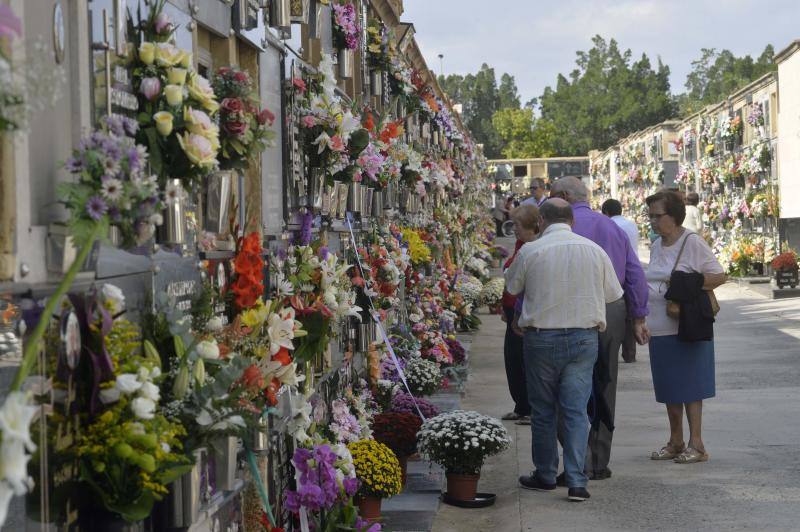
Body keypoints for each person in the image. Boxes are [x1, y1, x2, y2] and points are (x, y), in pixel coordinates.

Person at [505, 198, 623, 502]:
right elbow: (612, 293)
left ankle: (545, 473)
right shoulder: (594, 250)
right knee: (575, 410)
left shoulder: (531, 250)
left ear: (541, 220)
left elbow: (512, 287)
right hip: (583, 338)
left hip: (542, 338)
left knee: (544, 410)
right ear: (571, 221)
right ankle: (576, 480)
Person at [549, 177, 649, 481]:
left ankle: (575, 459)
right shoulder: (611, 227)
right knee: (605, 383)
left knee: (564, 384)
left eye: (552, 197)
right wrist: (638, 316)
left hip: (567, 309)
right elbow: (634, 272)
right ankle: (598, 459)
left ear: (564, 197)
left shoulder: (557, 229)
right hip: (610, 305)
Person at [645, 190, 726, 464]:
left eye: (658, 216)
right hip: (659, 326)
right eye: (651, 216)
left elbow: (719, 275)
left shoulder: (692, 242)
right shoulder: (656, 245)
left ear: (675, 215)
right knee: (669, 387)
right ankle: (676, 440)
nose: (653, 222)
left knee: (691, 386)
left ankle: (697, 443)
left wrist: (686, 285)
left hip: (687, 325)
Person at [500, 204, 539, 424]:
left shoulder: (533, 247)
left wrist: (515, 310)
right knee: (513, 360)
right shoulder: (520, 244)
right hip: (512, 308)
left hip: (523, 312)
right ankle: (521, 405)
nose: (513, 228)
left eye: (516, 224)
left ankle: (532, 408)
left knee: (525, 362)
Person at [601, 198, 639, 363]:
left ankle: (611, 351)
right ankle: (630, 353)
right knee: (630, 315)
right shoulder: (631, 225)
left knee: (615, 314)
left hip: (615, 273)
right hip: (632, 270)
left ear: (606, 212)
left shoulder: (609, 226)